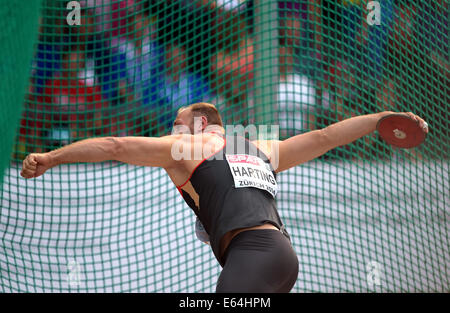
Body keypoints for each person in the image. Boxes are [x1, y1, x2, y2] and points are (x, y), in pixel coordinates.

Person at [20, 102, 429, 292]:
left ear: (197, 125)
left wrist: (51, 157)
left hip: (254, 253)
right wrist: (378, 120)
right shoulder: (258, 146)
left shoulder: (189, 148)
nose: (170, 131)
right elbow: (324, 138)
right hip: (281, 259)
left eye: (175, 124)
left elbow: (113, 145)